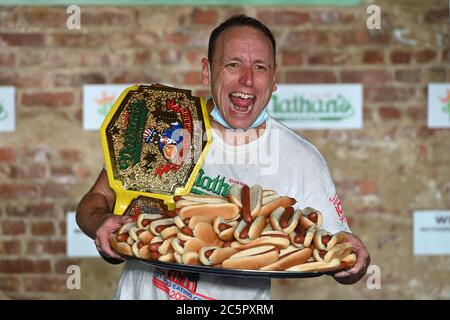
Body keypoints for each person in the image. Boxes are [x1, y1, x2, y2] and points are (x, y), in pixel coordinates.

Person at [76, 14, 370, 300]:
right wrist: (102, 222)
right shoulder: (164, 125)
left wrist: (353, 259)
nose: (247, 80)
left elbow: (342, 253)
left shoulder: (301, 158)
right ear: (207, 71)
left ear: (274, 78)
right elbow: (95, 200)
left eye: (260, 67)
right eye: (233, 64)